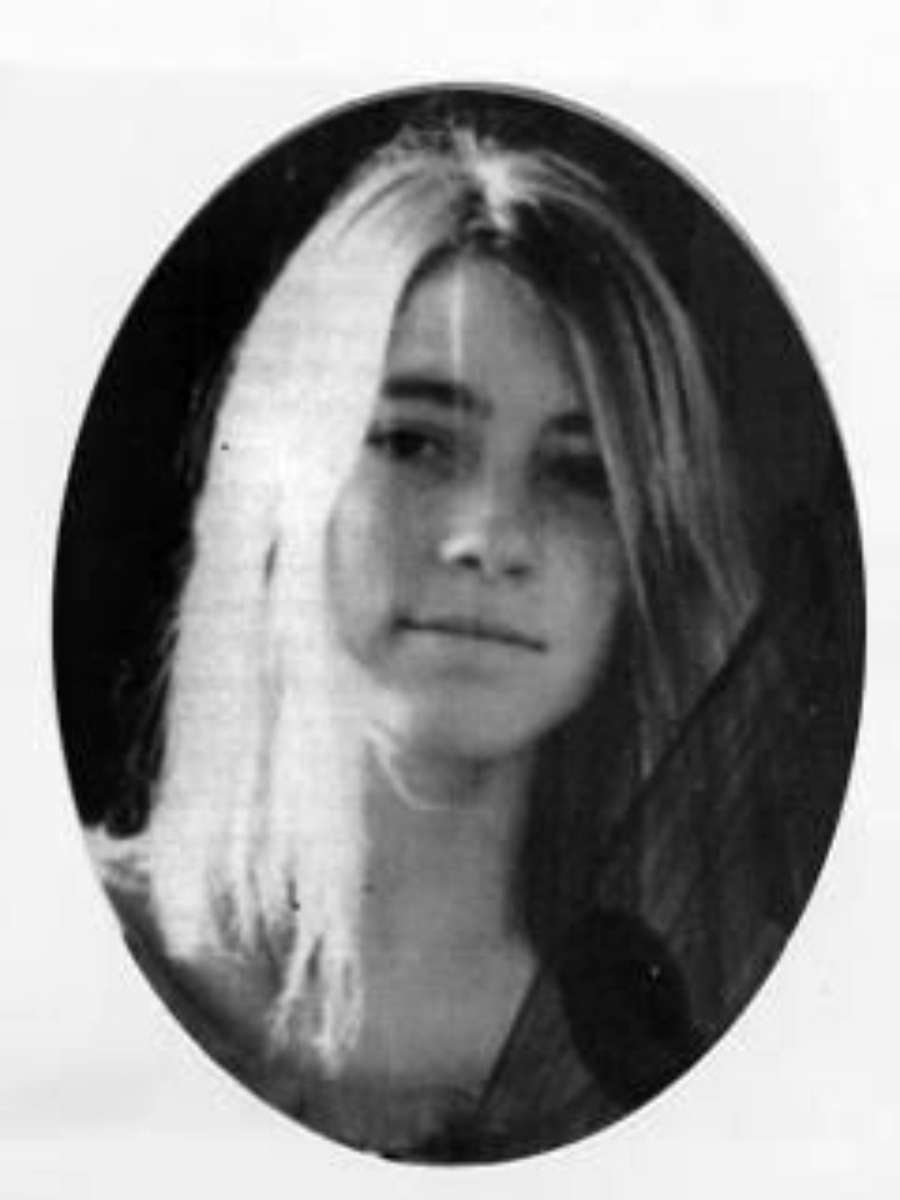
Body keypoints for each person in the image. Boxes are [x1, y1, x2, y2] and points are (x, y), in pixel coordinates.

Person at [86, 102, 829, 1162]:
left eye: (579, 472)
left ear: (645, 554)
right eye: (415, 441)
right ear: (281, 482)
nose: (490, 536)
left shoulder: (685, 1051)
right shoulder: (54, 941)